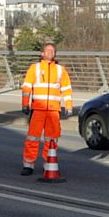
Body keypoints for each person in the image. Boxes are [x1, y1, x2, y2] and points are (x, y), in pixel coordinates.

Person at [19, 42, 74, 176]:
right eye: (47, 51)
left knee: (52, 139)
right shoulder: (35, 68)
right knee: (32, 138)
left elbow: (66, 89)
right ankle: (28, 165)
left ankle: (48, 163)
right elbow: (27, 87)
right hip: (38, 109)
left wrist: (69, 106)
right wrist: (25, 104)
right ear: (42, 54)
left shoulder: (61, 70)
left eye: (52, 51)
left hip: (54, 111)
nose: (50, 53)